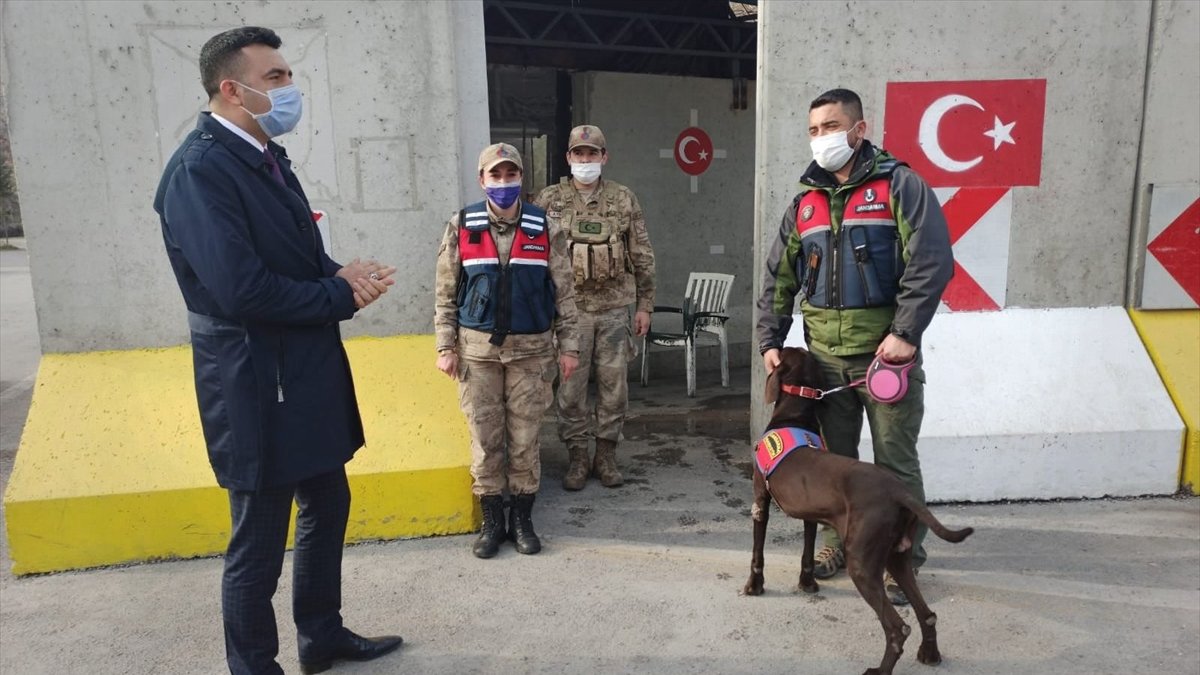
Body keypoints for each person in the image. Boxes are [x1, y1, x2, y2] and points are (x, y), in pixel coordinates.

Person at [153, 27, 404, 675]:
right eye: (277, 79)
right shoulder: (199, 171)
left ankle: (320, 634)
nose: (291, 89)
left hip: (304, 373)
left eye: (291, 75)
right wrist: (338, 297)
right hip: (256, 383)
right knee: (258, 542)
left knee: (328, 502)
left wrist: (340, 274)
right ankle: (254, 666)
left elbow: (296, 255)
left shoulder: (266, 154)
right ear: (231, 89)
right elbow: (242, 290)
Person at [756, 88, 954, 606]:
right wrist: (768, 342)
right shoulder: (805, 204)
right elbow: (778, 278)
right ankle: (834, 546)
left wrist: (905, 333)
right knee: (832, 465)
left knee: (894, 464)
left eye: (832, 126)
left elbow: (930, 261)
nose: (822, 138)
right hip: (824, 365)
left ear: (859, 130)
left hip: (885, 359)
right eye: (814, 129)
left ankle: (903, 557)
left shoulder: (901, 187)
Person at [434, 143, 580, 558]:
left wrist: (569, 347)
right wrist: (446, 346)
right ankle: (492, 521)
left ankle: (522, 519)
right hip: (477, 354)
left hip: (532, 354)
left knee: (525, 438)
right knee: (485, 438)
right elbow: (445, 294)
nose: (503, 183)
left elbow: (565, 295)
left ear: (521, 179)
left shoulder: (545, 227)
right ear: (482, 181)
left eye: (510, 175)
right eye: (495, 176)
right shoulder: (461, 224)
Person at [533, 125, 656, 491]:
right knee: (569, 390)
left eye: (592, 153)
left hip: (615, 309)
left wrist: (644, 305)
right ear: (569, 157)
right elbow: (534, 258)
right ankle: (577, 456)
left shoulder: (623, 199)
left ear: (605, 157)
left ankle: (606, 455)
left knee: (613, 387)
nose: (585, 160)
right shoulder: (549, 201)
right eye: (578, 154)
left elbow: (642, 254)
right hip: (570, 314)